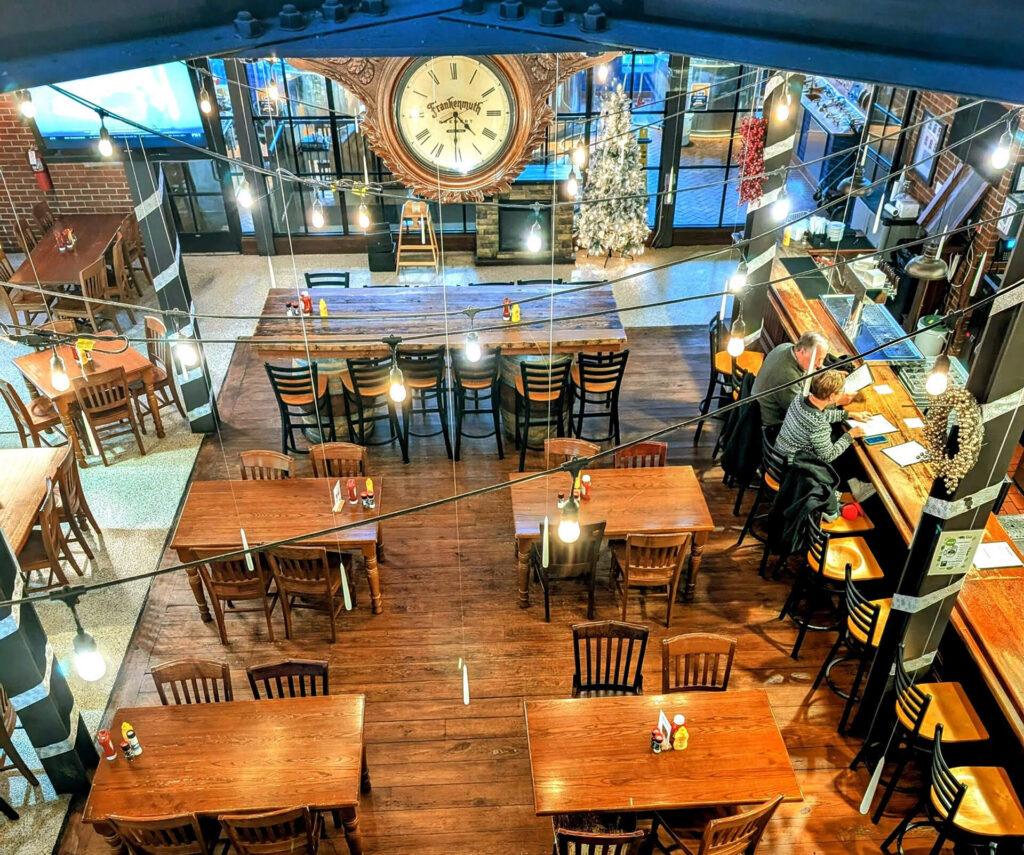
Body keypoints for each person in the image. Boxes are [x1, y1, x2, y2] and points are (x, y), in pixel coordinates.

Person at [753, 331, 852, 437]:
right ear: (803, 352)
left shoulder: (787, 347)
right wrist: (836, 402)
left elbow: (811, 372)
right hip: (775, 427)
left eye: (822, 359)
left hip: (777, 407)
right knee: (834, 433)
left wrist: (830, 374)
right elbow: (805, 412)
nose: (819, 364)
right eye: (817, 359)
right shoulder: (787, 377)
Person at [775, 369, 865, 465]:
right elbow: (828, 457)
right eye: (841, 391)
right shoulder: (820, 425)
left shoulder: (800, 398)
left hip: (778, 453)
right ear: (831, 396)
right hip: (791, 465)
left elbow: (819, 415)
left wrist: (848, 414)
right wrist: (850, 435)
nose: (843, 393)